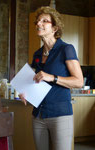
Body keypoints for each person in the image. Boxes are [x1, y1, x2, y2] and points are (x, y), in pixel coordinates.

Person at [19, 6, 83, 150]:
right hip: (38, 115)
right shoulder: (37, 54)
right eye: (37, 21)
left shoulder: (66, 49)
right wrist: (25, 93)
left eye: (44, 21)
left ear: (55, 28)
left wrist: (52, 77)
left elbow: (78, 81)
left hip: (60, 115)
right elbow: (35, 81)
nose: (38, 24)